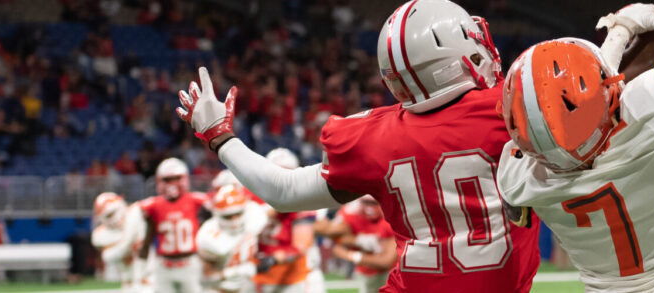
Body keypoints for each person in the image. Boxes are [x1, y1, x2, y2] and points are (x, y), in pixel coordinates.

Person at [173, 1, 542, 291]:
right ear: (456, 62)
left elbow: (284, 191)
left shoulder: (374, 137)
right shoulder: (509, 108)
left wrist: (220, 136)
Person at [495, 1, 654, 288]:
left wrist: (620, 33)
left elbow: (577, 116)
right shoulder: (647, 128)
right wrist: (620, 33)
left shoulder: (518, 180)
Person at [250, 148, 325, 293]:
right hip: (261, 277)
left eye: (285, 173)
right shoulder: (252, 198)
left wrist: (275, 259)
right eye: (276, 173)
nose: (281, 180)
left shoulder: (302, 202)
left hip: (293, 278)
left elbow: (300, 246)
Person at [136, 158, 209, 293]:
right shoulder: (153, 205)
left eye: (176, 178)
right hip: (164, 265)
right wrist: (142, 263)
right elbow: (148, 233)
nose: (172, 183)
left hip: (190, 263)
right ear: (159, 181)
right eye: (167, 179)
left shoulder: (196, 200)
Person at [320, 198, 397, 293]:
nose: (370, 207)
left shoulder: (390, 220)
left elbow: (386, 261)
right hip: (363, 273)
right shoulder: (351, 215)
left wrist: (352, 255)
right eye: (366, 202)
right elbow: (334, 240)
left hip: (388, 274)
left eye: (374, 203)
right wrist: (357, 240)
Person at [196, 185, 260, 293]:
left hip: (247, 286)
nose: (234, 221)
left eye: (237, 214)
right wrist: (238, 271)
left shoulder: (254, 215)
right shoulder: (208, 235)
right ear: (217, 214)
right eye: (228, 216)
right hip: (220, 289)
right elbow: (206, 278)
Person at [91, 192, 151, 293]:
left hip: (151, 279)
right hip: (129, 284)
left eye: (111, 214)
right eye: (106, 216)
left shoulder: (136, 213)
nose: (110, 219)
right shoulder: (101, 235)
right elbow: (108, 257)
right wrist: (127, 241)